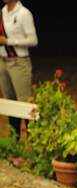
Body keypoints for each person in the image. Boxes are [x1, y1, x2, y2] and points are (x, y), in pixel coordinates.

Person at [0, 0, 37, 141]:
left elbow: (33, 40)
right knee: (10, 103)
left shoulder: (24, 13)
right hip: (3, 62)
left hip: (19, 62)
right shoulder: (2, 12)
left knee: (24, 104)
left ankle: (34, 145)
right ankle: (14, 143)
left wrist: (8, 41)